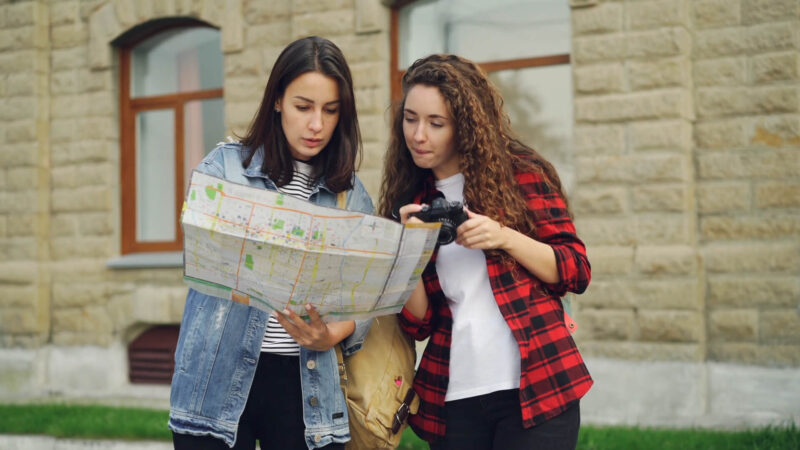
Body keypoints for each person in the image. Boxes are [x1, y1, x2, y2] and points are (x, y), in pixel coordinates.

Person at [378, 54, 593, 450]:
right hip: (457, 393)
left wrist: (503, 237)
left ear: (465, 125)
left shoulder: (520, 173)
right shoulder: (412, 199)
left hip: (537, 383)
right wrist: (405, 247)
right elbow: (420, 322)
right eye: (410, 119)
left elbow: (575, 270)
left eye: (435, 123)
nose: (418, 135)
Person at [169, 36, 374, 450]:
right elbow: (198, 262)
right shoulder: (224, 168)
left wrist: (336, 332)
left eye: (330, 111)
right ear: (278, 100)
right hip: (215, 380)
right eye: (304, 107)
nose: (317, 124)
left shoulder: (349, 194)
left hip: (306, 386)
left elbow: (366, 297)